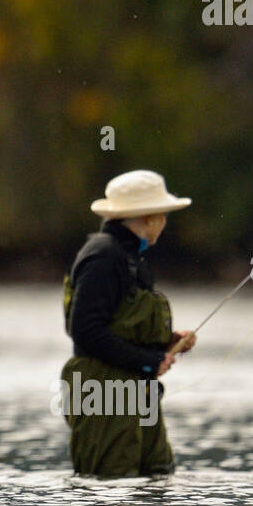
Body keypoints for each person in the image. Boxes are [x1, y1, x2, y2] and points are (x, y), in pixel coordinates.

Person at [60, 170, 197, 478]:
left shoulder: (128, 257)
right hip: (104, 390)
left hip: (135, 388)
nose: (164, 222)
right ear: (148, 218)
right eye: (163, 215)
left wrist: (166, 342)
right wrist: (149, 360)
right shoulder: (103, 257)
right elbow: (85, 331)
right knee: (111, 482)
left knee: (158, 476)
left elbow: (118, 324)